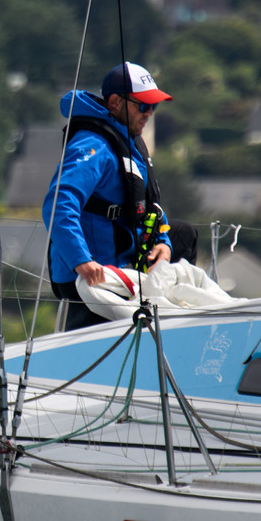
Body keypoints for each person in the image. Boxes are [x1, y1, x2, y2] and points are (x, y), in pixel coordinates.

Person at [43, 62, 175, 331]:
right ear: (115, 102)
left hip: (123, 264)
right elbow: (59, 203)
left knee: (185, 236)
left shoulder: (128, 138)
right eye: (143, 105)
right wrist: (81, 260)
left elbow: (148, 205)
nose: (149, 113)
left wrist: (164, 242)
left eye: (154, 106)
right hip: (93, 277)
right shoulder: (93, 145)